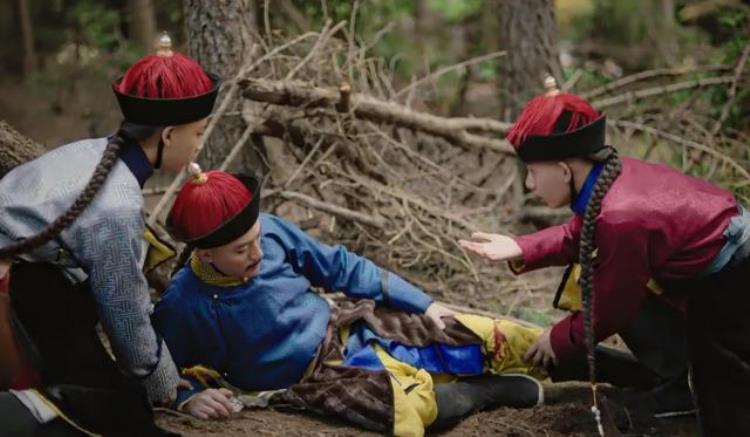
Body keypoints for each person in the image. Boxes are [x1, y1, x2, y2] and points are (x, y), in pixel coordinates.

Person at [152, 165, 550, 437]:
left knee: (485, 334)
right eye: (241, 250)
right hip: (313, 378)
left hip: (347, 325)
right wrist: (187, 398)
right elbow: (150, 365)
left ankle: (596, 362)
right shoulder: (184, 304)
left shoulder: (269, 233)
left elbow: (341, 267)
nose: (257, 252)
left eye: (257, 239)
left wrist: (424, 304)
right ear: (206, 255)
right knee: (406, 405)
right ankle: (486, 392)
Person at [459, 77, 750, 436]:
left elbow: (613, 308)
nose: (530, 185)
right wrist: (522, 247)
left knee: (723, 388)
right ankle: (679, 382)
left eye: (533, 172)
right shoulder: (607, 180)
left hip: (732, 277)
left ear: (565, 170)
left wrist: (557, 339)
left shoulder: (620, 216)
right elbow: (578, 234)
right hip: (709, 267)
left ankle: (701, 400)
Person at [0, 34, 220, 436]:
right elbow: (126, 313)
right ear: (169, 135)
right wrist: (167, 387)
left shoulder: (88, 152)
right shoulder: (116, 204)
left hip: (31, 280)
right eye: (199, 133)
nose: (199, 145)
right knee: (118, 412)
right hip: (16, 292)